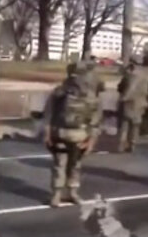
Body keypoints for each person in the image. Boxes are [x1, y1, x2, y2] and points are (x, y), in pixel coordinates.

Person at [44, 62, 102, 207]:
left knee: (75, 166)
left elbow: (95, 120)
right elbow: (48, 114)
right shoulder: (59, 93)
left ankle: (72, 192)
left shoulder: (90, 95)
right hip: (61, 134)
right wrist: (47, 134)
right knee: (60, 165)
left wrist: (92, 140)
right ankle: (57, 193)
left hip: (80, 136)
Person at [118, 65, 148, 153]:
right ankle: (133, 143)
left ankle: (122, 143)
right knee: (135, 125)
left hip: (129, 103)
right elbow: (145, 91)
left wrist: (123, 98)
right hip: (140, 103)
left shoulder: (130, 77)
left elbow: (127, 89)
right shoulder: (144, 77)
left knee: (125, 124)